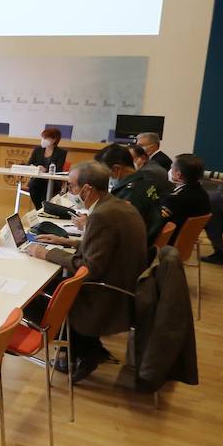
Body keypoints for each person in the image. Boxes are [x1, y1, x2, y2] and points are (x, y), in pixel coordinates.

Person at [24, 161, 148, 381]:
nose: (70, 191)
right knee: (52, 285)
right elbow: (105, 249)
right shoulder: (118, 206)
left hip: (107, 294)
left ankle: (88, 351)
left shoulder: (102, 216)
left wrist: (46, 253)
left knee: (32, 297)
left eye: (71, 186)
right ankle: (89, 348)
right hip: (122, 283)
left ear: (87, 189)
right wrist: (66, 241)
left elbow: (89, 268)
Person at [96, 143, 167, 244]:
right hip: (146, 241)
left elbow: (118, 229)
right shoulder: (146, 180)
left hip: (131, 248)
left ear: (117, 169)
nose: (105, 175)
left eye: (105, 170)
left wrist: (92, 222)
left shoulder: (130, 193)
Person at [159, 153, 212, 245]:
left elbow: (158, 220)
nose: (170, 171)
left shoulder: (176, 197)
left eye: (172, 168)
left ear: (178, 175)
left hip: (168, 239)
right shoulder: (202, 192)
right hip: (186, 239)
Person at [26, 127, 68, 209]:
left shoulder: (61, 153)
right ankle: (39, 209)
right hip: (37, 179)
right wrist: (36, 168)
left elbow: (58, 169)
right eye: (42, 137)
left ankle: (44, 209)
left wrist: (46, 170)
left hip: (52, 181)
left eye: (45, 138)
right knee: (33, 185)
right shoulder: (37, 150)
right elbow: (29, 164)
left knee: (46, 192)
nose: (43, 140)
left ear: (54, 140)